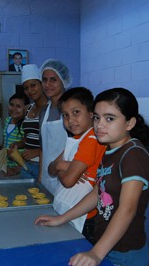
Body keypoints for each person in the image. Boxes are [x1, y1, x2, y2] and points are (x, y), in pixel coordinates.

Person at [35, 88, 149, 266]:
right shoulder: (110, 151)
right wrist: (62, 219)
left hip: (125, 252)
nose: (99, 125)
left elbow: (127, 209)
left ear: (130, 123)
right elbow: (98, 192)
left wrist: (96, 253)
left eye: (110, 119)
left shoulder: (133, 155)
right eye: (97, 118)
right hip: (107, 245)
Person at [50, 87, 105, 243]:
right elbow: (50, 168)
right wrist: (63, 166)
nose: (70, 120)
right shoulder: (76, 138)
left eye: (76, 112)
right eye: (65, 115)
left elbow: (68, 181)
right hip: (71, 210)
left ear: (91, 114)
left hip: (85, 217)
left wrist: (60, 166)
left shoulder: (91, 139)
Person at [9, 64, 48, 179]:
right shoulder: (27, 109)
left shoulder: (52, 108)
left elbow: (57, 142)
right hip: (26, 165)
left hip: (43, 165)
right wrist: (18, 144)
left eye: (33, 85)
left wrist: (37, 151)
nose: (30, 91)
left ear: (41, 84)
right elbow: (29, 137)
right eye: (26, 88)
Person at [39, 59, 71, 195]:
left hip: (67, 176)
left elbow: (78, 145)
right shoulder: (43, 111)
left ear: (63, 81)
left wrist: (56, 166)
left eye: (53, 80)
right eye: (44, 80)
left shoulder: (71, 110)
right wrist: (40, 178)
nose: (47, 84)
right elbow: (43, 149)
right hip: (47, 177)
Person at [3, 92, 30, 176]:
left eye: (18, 106)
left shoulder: (26, 124)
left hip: (20, 168)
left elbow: (26, 141)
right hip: (8, 167)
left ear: (26, 108)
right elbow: (4, 141)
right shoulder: (8, 121)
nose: (14, 108)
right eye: (11, 105)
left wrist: (17, 169)